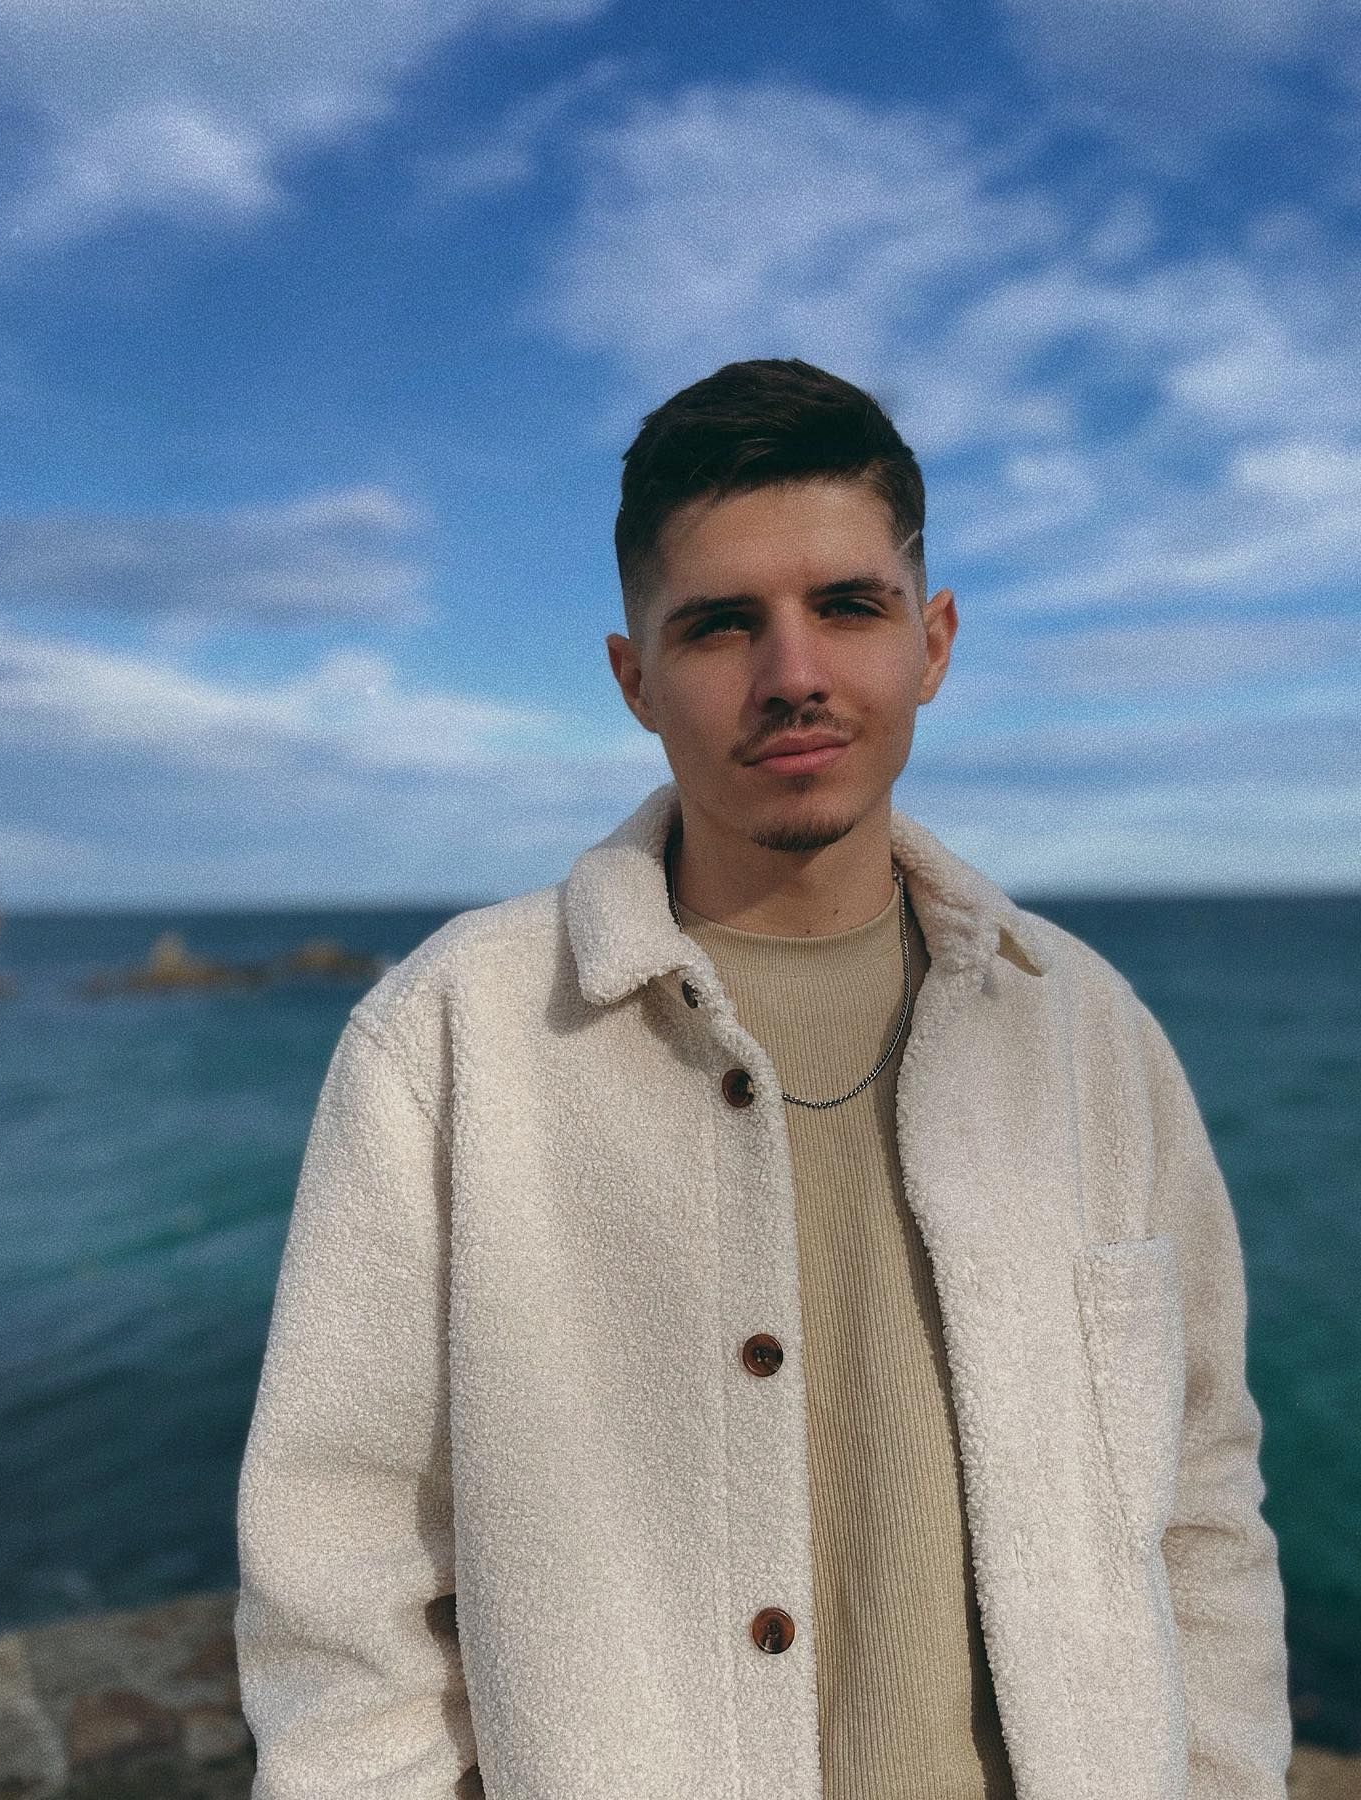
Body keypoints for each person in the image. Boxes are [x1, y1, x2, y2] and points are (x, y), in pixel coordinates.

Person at [234, 358, 1292, 1799]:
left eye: (848, 606)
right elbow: (337, 1585)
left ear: (932, 642)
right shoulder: (449, 1039)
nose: (794, 675)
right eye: (723, 624)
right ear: (635, 679)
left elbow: (1202, 1500)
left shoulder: (1089, 1033)